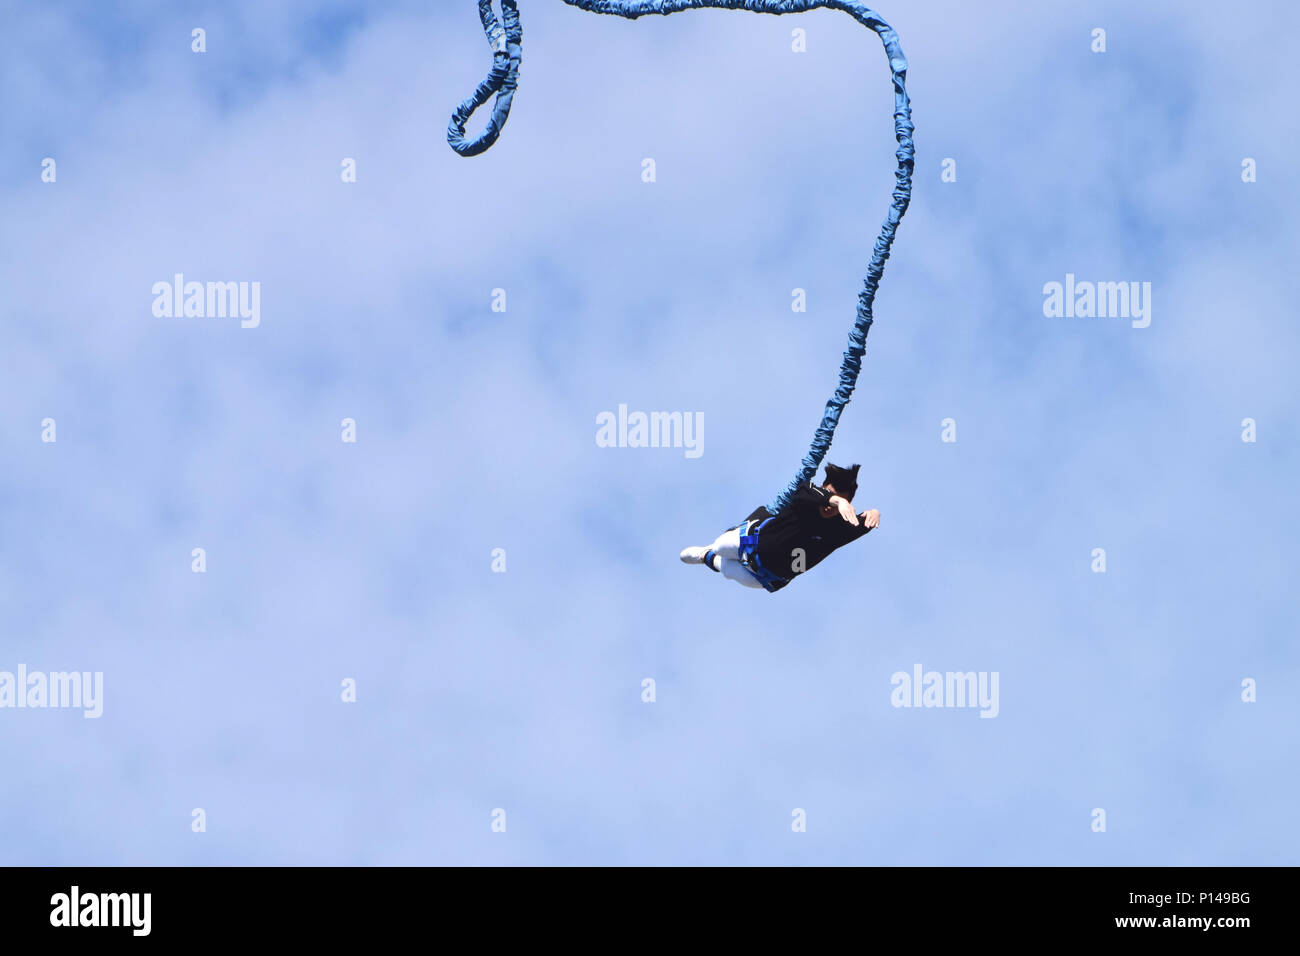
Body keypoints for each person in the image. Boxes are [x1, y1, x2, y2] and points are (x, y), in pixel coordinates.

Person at [679, 463, 880, 592]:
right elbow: (809, 492)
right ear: (823, 490)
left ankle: (706, 557)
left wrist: (875, 513)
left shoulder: (840, 530)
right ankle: (712, 549)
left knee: (726, 569)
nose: (830, 507)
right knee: (721, 546)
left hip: (766, 576)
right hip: (751, 543)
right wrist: (836, 501)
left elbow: (864, 521)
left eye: (840, 503)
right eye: (830, 498)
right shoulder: (805, 496)